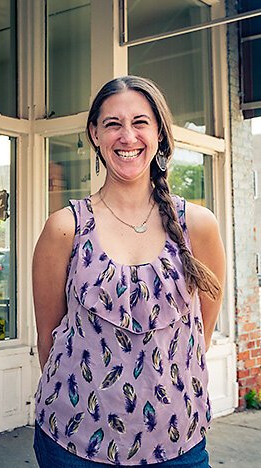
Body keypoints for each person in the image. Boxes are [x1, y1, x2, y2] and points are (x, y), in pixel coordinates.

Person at [32, 76, 224, 467]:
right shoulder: (64, 228)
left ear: (158, 134)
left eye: (140, 122)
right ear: (95, 134)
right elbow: (50, 341)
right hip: (75, 444)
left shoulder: (199, 226)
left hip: (177, 445)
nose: (127, 136)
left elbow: (200, 333)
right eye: (113, 124)